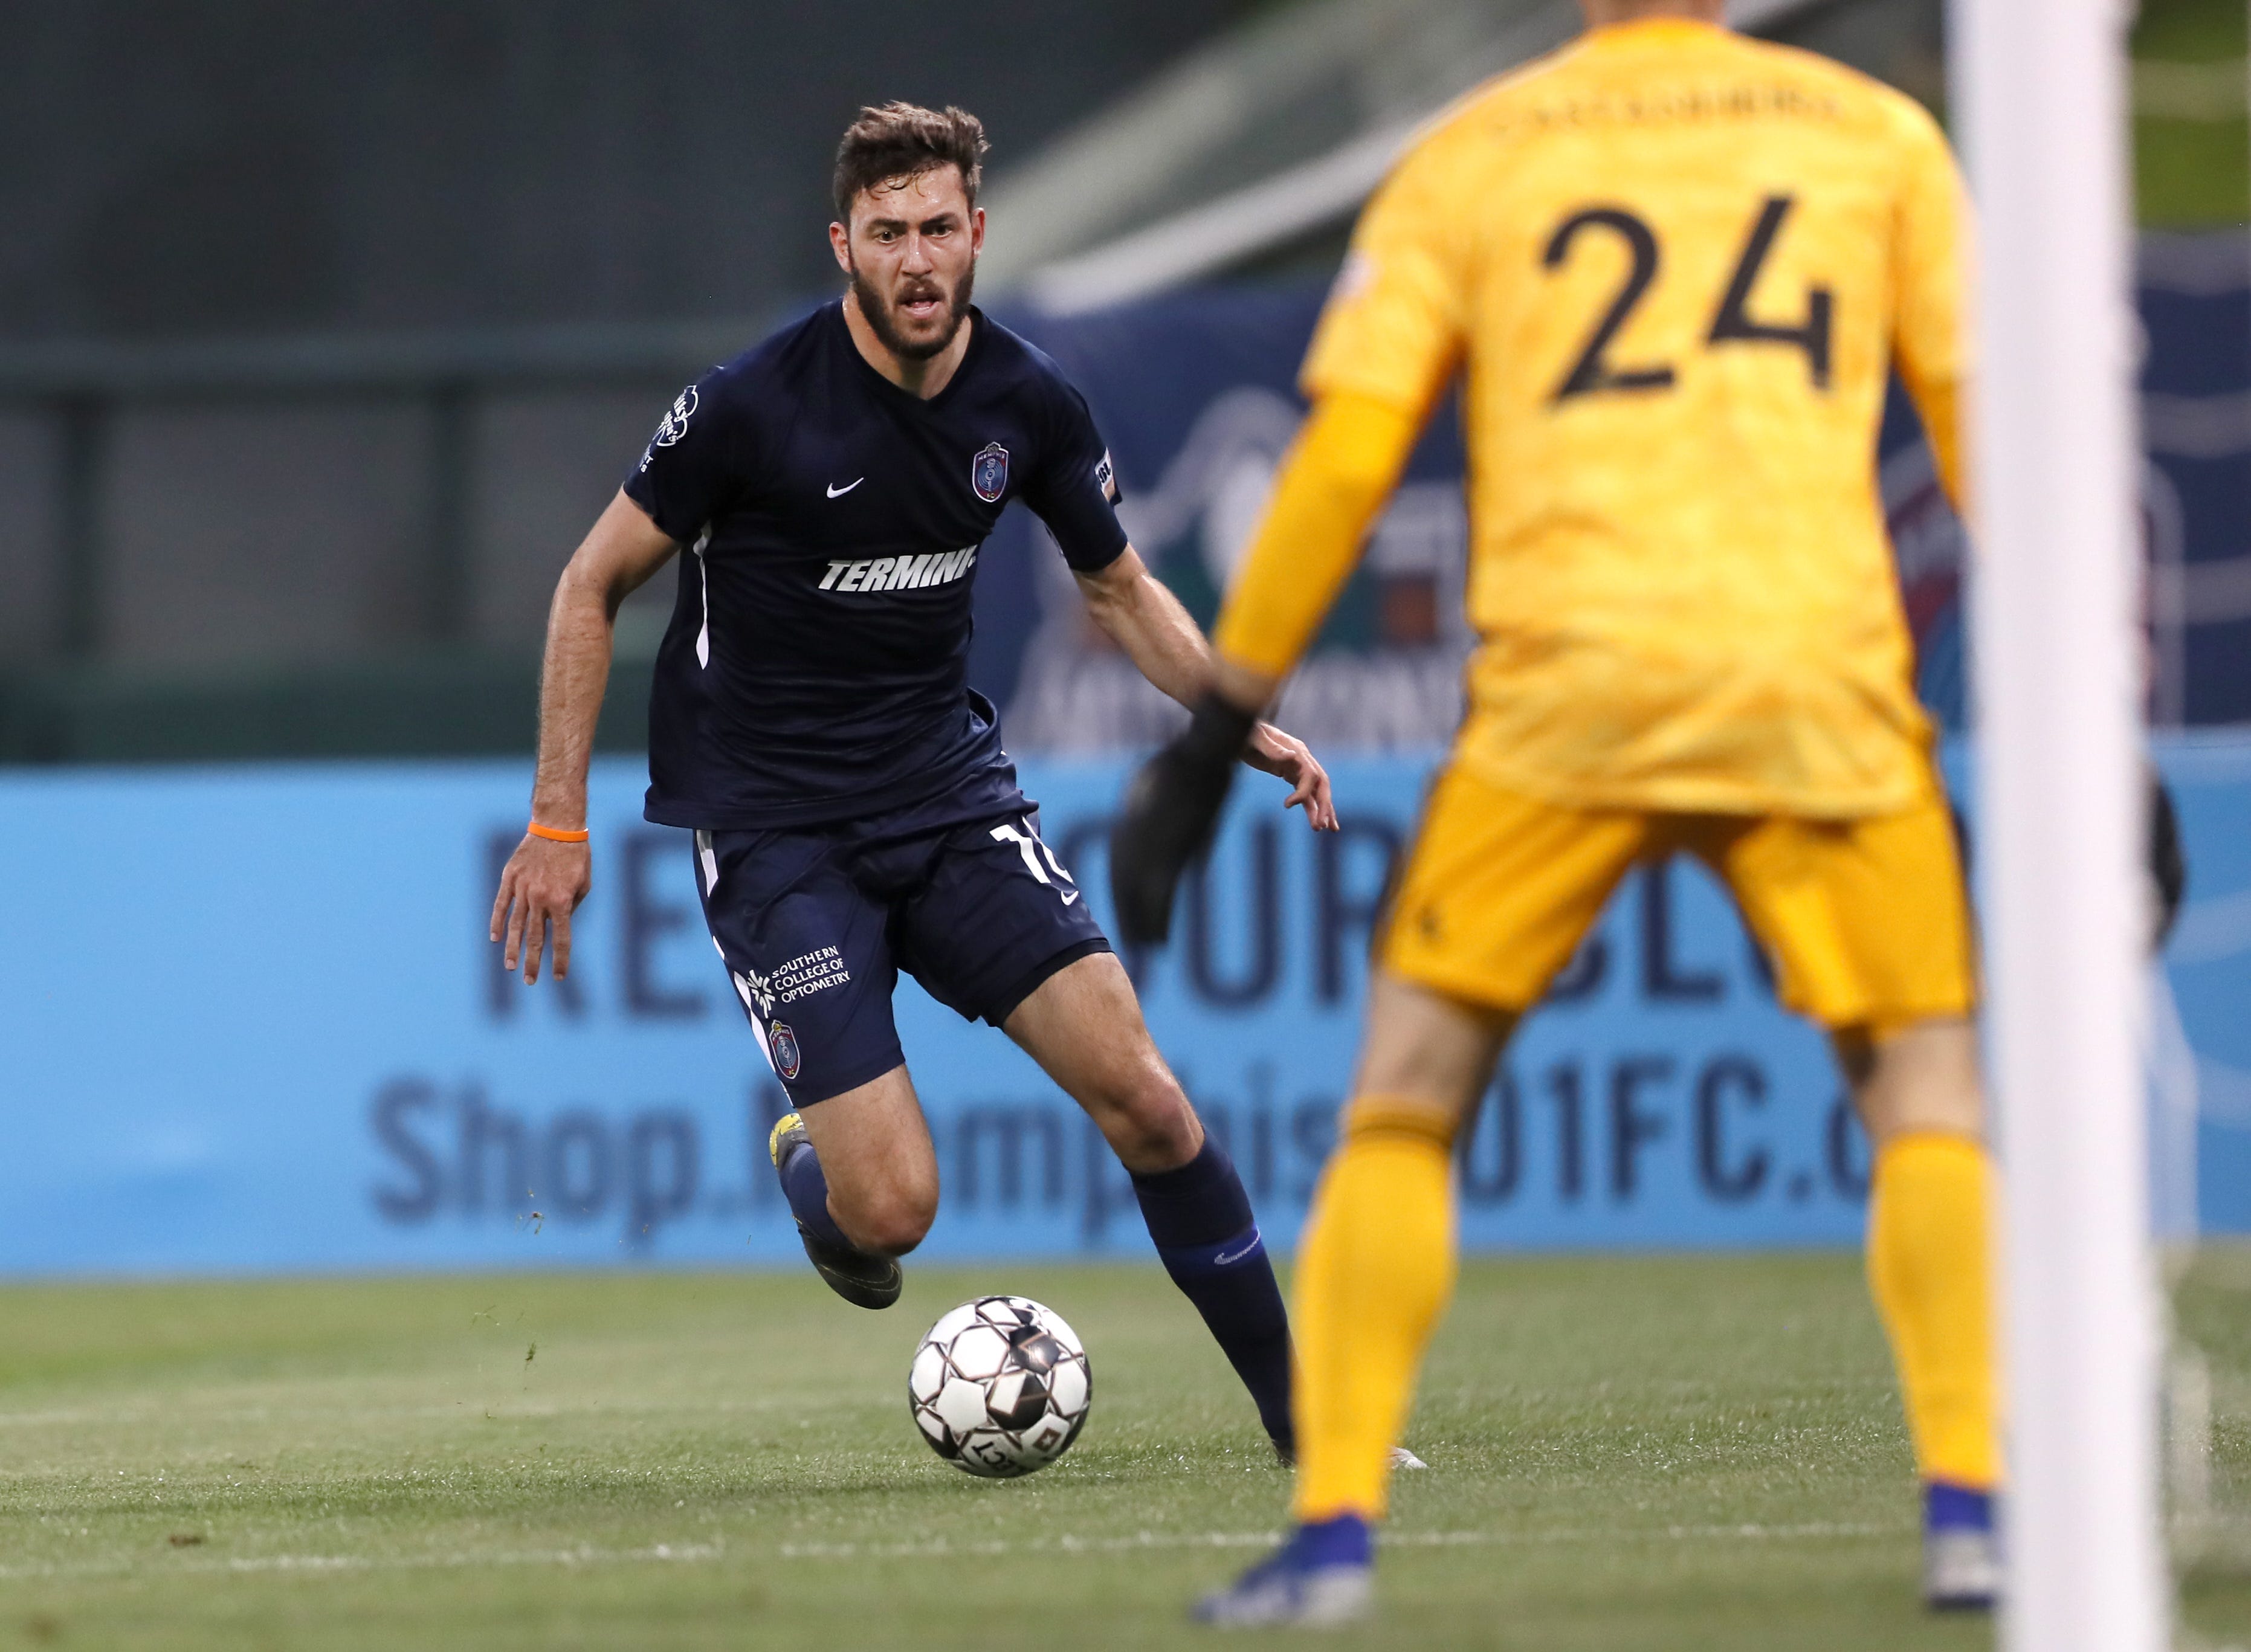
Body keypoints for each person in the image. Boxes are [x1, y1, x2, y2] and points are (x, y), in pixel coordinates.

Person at [1111, 0, 2004, 1624]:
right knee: (1921, 1084)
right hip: (1810, 680)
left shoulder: (1476, 153)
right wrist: (2090, 714)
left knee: (1403, 1100)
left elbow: (1344, 461)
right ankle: (1966, 1508)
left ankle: (1328, 1543)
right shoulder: (1870, 134)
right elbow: (1983, 426)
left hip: (1563, 692)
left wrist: (1214, 726)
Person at [489, 103, 1335, 1461]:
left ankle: (1307, 1424)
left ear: (979, 235)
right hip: (777, 837)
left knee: (1151, 1100)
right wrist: (555, 816)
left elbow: (1118, 588)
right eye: (888, 235)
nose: (919, 259)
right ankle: (818, 1172)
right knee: (890, 1217)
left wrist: (1236, 715)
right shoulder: (752, 405)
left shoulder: (1029, 402)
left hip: (949, 802)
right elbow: (590, 585)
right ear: (846, 247)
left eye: (940, 228)